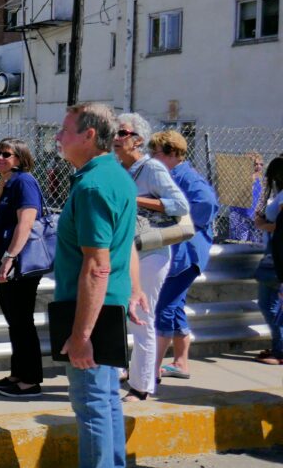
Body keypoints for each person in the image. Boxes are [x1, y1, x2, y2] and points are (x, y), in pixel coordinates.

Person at [41, 102, 146, 468]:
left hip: (91, 310)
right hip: (109, 305)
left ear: (88, 135)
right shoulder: (115, 176)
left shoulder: (92, 187)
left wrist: (81, 334)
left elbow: (97, 264)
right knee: (105, 402)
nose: (58, 138)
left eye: (65, 130)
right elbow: (129, 245)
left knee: (92, 406)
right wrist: (136, 289)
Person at [113, 114, 189, 401]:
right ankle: (129, 373)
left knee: (142, 316)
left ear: (138, 140)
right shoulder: (121, 169)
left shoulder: (152, 167)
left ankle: (142, 387)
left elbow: (179, 204)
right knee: (123, 314)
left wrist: (136, 200)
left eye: (123, 133)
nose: (116, 138)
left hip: (152, 252)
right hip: (127, 251)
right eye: (114, 133)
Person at [149, 130, 219, 378]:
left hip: (186, 255)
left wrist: (182, 224)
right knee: (175, 306)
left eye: (155, 153)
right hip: (179, 254)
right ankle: (180, 363)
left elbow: (208, 204)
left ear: (171, 153)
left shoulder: (187, 178)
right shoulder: (171, 176)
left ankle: (151, 368)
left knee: (163, 307)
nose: (151, 157)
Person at [0, 138, 45, 397]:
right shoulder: (8, 183)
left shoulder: (24, 181)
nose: (0, 158)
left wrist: (9, 259)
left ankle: (30, 381)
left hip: (18, 263)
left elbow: (26, 223)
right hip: (5, 262)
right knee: (15, 322)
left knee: (22, 322)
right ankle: (18, 375)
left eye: (7, 154)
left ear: (20, 158)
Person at [252, 155, 283, 364]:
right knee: (273, 304)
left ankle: (280, 350)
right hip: (274, 252)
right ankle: (278, 346)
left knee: (267, 303)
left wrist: (262, 224)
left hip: (277, 255)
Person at [228, 152, 264, 244]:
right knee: (239, 242)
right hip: (240, 215)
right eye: (255, 164)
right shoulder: (239, 179)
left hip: (255, 216)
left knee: (255, 243)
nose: (259, 167)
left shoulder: (260, 180)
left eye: (261, 164)